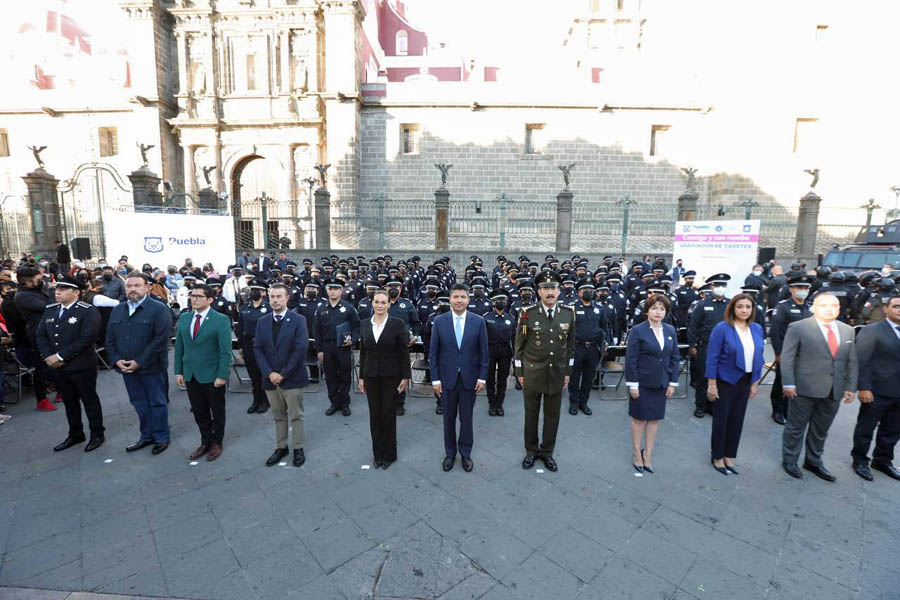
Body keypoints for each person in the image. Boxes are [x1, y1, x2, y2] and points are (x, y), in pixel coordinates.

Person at [781, 293, 858, 481]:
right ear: (814, 307)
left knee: (821, 429)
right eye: (824, 305)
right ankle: (790, 460)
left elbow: (851, 360)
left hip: (834, 390)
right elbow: (787, 357)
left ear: (839, 309)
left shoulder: (847, 330)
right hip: (803, 388)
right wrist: (789, 383)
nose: (830, 309)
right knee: (796, 427)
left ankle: (813, 461)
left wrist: (850, 386)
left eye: (834, 305)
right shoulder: (799, 327)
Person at [514, 270, 575, 472]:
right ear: (538, 292)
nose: (550, 292)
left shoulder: (568, 313)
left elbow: (570, 345)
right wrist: (519, 374)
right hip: (532, 372)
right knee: (531, 414)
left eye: (553, 288)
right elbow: (519, 347)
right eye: (545, 288)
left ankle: (547, 452)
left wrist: (567, 371)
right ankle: (531, 451)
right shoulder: (527, 313)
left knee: (553, 415)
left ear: (559, 291)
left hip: (556, 373)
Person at [35, 274, 104, 452]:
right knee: (69, 401)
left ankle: (97, 433)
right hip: (58, 367)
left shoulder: (87, 310)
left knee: (89, 399)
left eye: (63, 289)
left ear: (76, 292)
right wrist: (47, 356)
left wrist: (60, 356)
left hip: (81, 365)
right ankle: (75, 433)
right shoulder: (51, 309)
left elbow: (87, 338)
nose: (57, 292)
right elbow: (41, 334)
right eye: (57, 289)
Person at [107, 272, 173, 455]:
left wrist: (140, 362)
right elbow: (110, 338)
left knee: (157, 403)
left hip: (152, 367)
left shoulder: (159, 309)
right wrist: (116, 359)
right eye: (129, 286)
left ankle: (161, 436)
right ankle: (146, 436)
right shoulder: (118, 310)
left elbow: (160, 340)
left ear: (148, 287)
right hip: (127, 368)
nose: (133, 289)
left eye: (137, 285)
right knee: (139, 403)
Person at [429, 283, 489, 473]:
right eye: (456, 297)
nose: (459, 300)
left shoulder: (478, 321)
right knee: (448, 419)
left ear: (468, 300)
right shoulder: (440, 321)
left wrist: (482, 378)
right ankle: (449, 453)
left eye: (463, 297)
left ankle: (465, 454)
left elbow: (484, 353)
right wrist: (435, 380)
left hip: (470, 379)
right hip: (447, 380)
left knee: (467, 418)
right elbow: (434, 353)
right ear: (450, 299)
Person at [705, 294, 765, 475]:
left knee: (737, 419)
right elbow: (712, 357)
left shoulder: (757, 328)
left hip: (745, 380)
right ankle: (717, 455)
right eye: (740, 306)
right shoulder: (722, 328)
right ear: (732, 308)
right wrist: (712, 384)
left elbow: (759, 357)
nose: (744, 310)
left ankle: (729, 454)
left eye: (748, 307)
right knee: (722, 419)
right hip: (725, 379)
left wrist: (756, 381)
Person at [174, 283, 233, 462]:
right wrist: (178, 371)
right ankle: (205, 440)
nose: (194, 299)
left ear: (210, 299)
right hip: (191, 374)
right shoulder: (185, 318)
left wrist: (222, 375)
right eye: (193, 295)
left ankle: (217, 441)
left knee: (217, 410)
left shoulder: (220, 320)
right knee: (199, 411)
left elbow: (225, 351)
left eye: (199, 296)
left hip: (212, 375)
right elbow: (179, 348)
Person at [254, 283, 309, 468]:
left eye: (279, 296)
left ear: (287, 298)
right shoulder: (263, 321)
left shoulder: (298, 319)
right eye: (272, 297)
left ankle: (298, 447)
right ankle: (281, 446)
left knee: (296, 415)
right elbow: (258, 349)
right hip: (270, 379)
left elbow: (300, 349)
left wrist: (282, 373)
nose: (275, 300)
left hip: (291, 378)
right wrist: (269, 373)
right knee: (278, 415)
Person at [625, 294, 681, 474]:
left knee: (654, 420)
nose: (658, 312)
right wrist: (633, 384)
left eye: (662, 309)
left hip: (661, 382)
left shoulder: (670, 330)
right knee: (639, 419)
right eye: (655, 308)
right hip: (641, 382)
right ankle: (636, 453)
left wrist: (672, 382)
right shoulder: (638, 330)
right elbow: (630, 359)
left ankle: (648, 454)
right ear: (647, 310)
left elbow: (674, 357)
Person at [358, 290, 411, 469]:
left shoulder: (397, 324)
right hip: (371, 376)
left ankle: (389, 454)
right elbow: (363, 352)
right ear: (372, 303)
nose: (379, 305)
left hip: (391, 376)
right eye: (376, 302)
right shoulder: (364, 324)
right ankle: (377, 453)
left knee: (388, 414)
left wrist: (406, 376)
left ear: (389, 304)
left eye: (383, 302)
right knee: (374, 415)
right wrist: (361, 377)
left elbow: (404, 352)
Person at [850, 294, 900, 481]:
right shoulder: (873, 330)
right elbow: (862, 361)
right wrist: (863, 387)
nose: (899, 310)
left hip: (898, 392)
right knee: (866, 428)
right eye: (895, 306)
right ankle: (860, 460)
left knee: (893, 429)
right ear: (885, 309)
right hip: (876, 390)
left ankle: (882, 460)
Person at [768, 275, 813, 424]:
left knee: (800, 381)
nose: (803, 291)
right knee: (782, 381)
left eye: (806, 288)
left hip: (806, 353)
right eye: (799, 288)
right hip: (787, 351)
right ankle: (778, 410)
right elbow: (775, 331)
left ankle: (792, 409)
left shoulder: (810, 307)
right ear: (792, 289)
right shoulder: (783, 307)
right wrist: (778, 353)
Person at [314, 278, 360, 416]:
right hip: (327, 348)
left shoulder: (349, 308)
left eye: (336, 289)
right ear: (327, 290)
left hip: (343, 347)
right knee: (330, 376)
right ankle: (334, 403)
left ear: (341, 291)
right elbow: (317, 331)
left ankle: (345, 403)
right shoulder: (321, 308)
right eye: (330, 289)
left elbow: (357, 326)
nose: (333, 291)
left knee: (345, 375)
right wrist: (319, 350)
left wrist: (352, 339)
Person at [687, 273, 730, 419]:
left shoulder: (730, 305)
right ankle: (701, 406)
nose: (720, 288)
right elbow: (693, 326)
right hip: (706, 346)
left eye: (723, 285)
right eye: (717, 285)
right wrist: (692, 345)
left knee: (720, 377)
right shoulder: (702, 304)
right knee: (704, 377)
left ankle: (713, 405)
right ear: (711, 286)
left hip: (725, 348)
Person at [14, 266, 55, 411]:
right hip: (38, 334)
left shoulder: (36, 290)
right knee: (41, 367)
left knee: (59, 361)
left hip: (50, 329)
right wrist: (52, 289)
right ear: (28, 283)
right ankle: (42, 399)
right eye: (39, 279)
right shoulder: (23, 296)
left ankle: (61, 391)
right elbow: (49, 306)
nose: (42, 281)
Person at [569, 278, 610, 416]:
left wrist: (605, 342)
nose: (588, 292)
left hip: (593, 349)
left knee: (588, 377)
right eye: (585, 290)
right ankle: (574, 402)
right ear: (579, 293)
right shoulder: (572, 308)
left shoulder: (599, 309)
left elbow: (604, 327)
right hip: (577, 348)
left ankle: (583, 402)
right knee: (574, 377)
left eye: (591, 290)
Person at [235, 278, 271, 414]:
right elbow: (240, 328)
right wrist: (240, 346)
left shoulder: (269, 308)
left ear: (263, 292)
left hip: (264, 345)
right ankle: (256, 400)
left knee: (264, 373)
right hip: (249, 344)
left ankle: (265, 400)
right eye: (252, 290)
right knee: (253, 375)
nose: (254, 292)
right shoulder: (244, 308)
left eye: (257, 290)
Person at [484, 288, 515, 416]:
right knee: (489, 378)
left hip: (505, 351)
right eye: (498, 300)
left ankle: (499, 403)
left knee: (503, 378)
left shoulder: (511, 318)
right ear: (493, 302)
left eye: (503, 299)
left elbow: (514, 337)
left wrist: (515, 355)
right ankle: (492, 403)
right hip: (490, 350)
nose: (501, 302)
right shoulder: (486, 318)